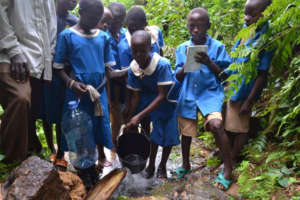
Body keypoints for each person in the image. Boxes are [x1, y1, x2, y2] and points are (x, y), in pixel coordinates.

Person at [175, 8, 232, 190]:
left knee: (216, 125)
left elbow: (225, 76)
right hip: (188, 95)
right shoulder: (181, 48)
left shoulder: (218, 47)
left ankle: (229, 169)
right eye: (192, 26)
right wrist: (185, 65)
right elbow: (177, 76)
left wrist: (209, 62)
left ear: (208, 26)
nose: (196, 30)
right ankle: (185, 164)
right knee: (186, 132)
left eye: (200, 26)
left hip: (210, 93)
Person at [0, 0, 56, 163]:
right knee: (20, 99)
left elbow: (49, 26)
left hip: (38, 61)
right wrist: (14, 51)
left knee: (30, 115)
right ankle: (11, 163)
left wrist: (48, 65)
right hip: (10, 56)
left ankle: (28, 155)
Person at [223, 0, 272, 180]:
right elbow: (234, 60)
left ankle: (232, 160)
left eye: (251, 15)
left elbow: (262, 74)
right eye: (245, 13)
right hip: (233, 89)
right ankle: (226, 156)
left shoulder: (266, 38)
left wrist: (250, 101)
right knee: (228, 125)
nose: (246, 18)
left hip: (245, 93)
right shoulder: (246, 32)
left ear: (264, 14)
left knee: (241, 128)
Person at [125, 30, 180, 179]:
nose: (138, 55)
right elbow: (136, 95)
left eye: (142, 51)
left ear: (150, 48)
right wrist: (130, 118)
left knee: (168, 134)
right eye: (134, 51)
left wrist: (139, 116)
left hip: (167, 100)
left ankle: (162, 165)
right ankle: (151, 165)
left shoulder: (162, 65)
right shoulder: (134, 67)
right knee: (154, 135)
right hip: (150, 98)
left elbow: (162, 95)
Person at [42, 0, 78, 167]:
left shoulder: (75, 22)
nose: (74, 1)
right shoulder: (47, 18)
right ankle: (51, 149)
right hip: (49, 72)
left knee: (63, 115)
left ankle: (61, 153)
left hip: (67, 75)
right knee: (48, 113)